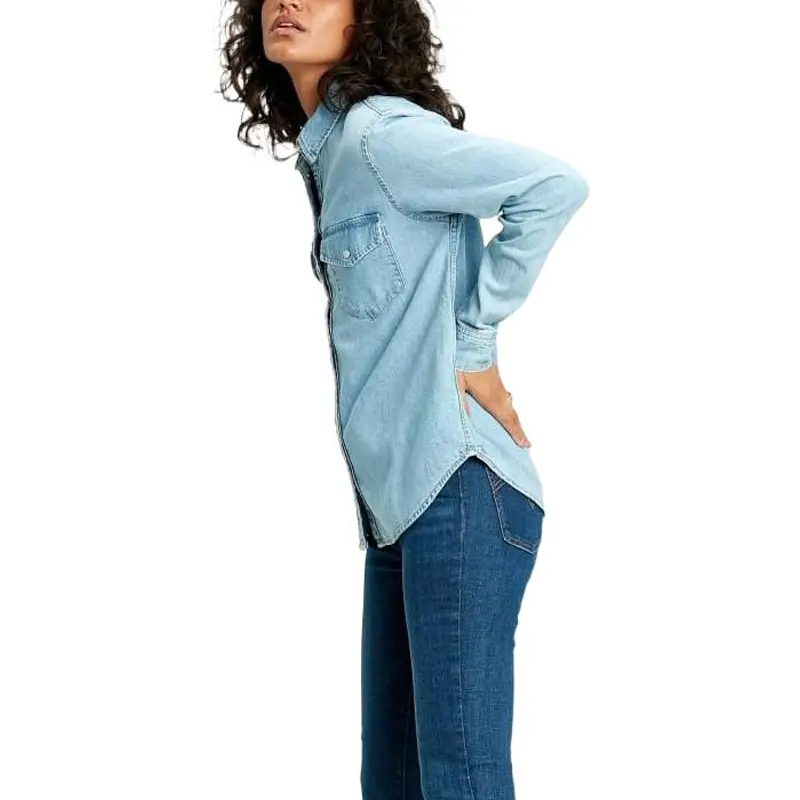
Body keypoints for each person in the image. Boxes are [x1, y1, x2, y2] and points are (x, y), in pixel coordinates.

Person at [220, 1, 589, 797]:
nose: (289, 1)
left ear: (368, 19)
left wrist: (475, 346)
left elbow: (552, 187)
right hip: (399, 509)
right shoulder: (332, 153)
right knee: (391, 782)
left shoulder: (380, 135)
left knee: (460, 780)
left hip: (457, 485)